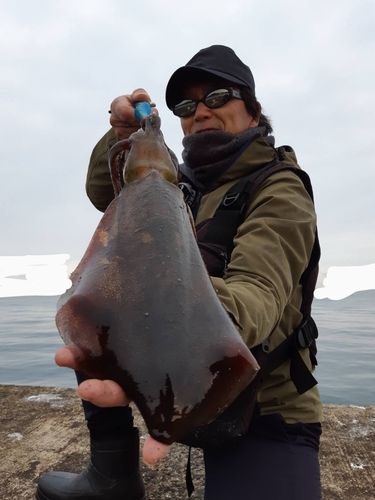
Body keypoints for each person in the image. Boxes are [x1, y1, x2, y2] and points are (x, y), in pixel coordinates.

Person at [36, 45, 322, 500]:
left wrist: (159, 299)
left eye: (217, 96)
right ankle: (112, 473)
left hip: (268, 408)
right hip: (186, 375)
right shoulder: (181, 183)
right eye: (186, 106)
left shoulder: (280, 188)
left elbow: (257, 296)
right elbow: (104, 193)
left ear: (253, 111)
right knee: (95, 306)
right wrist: (123, 135)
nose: (200, 111)